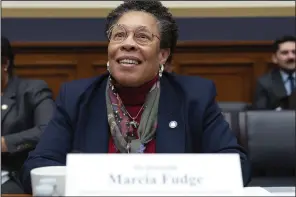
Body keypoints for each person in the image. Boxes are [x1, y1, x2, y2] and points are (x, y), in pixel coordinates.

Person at [20, 1, 251, 193]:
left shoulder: (194, 97)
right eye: (119, 35)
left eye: (142, 37)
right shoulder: (77, 97)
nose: (128, 44)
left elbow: (236, 167)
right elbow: (37, 167)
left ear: (162, 55)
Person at [1, 36, 55, 194]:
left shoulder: (32, 91)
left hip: (10, 175)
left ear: (5, 64)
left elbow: (47, 130)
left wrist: (4, 143)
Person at [252, 35, 295, 110]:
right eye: (285, 53)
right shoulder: (265, 83)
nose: (291, 57)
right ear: (275, 58)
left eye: (294, 52)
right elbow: (259, 115)